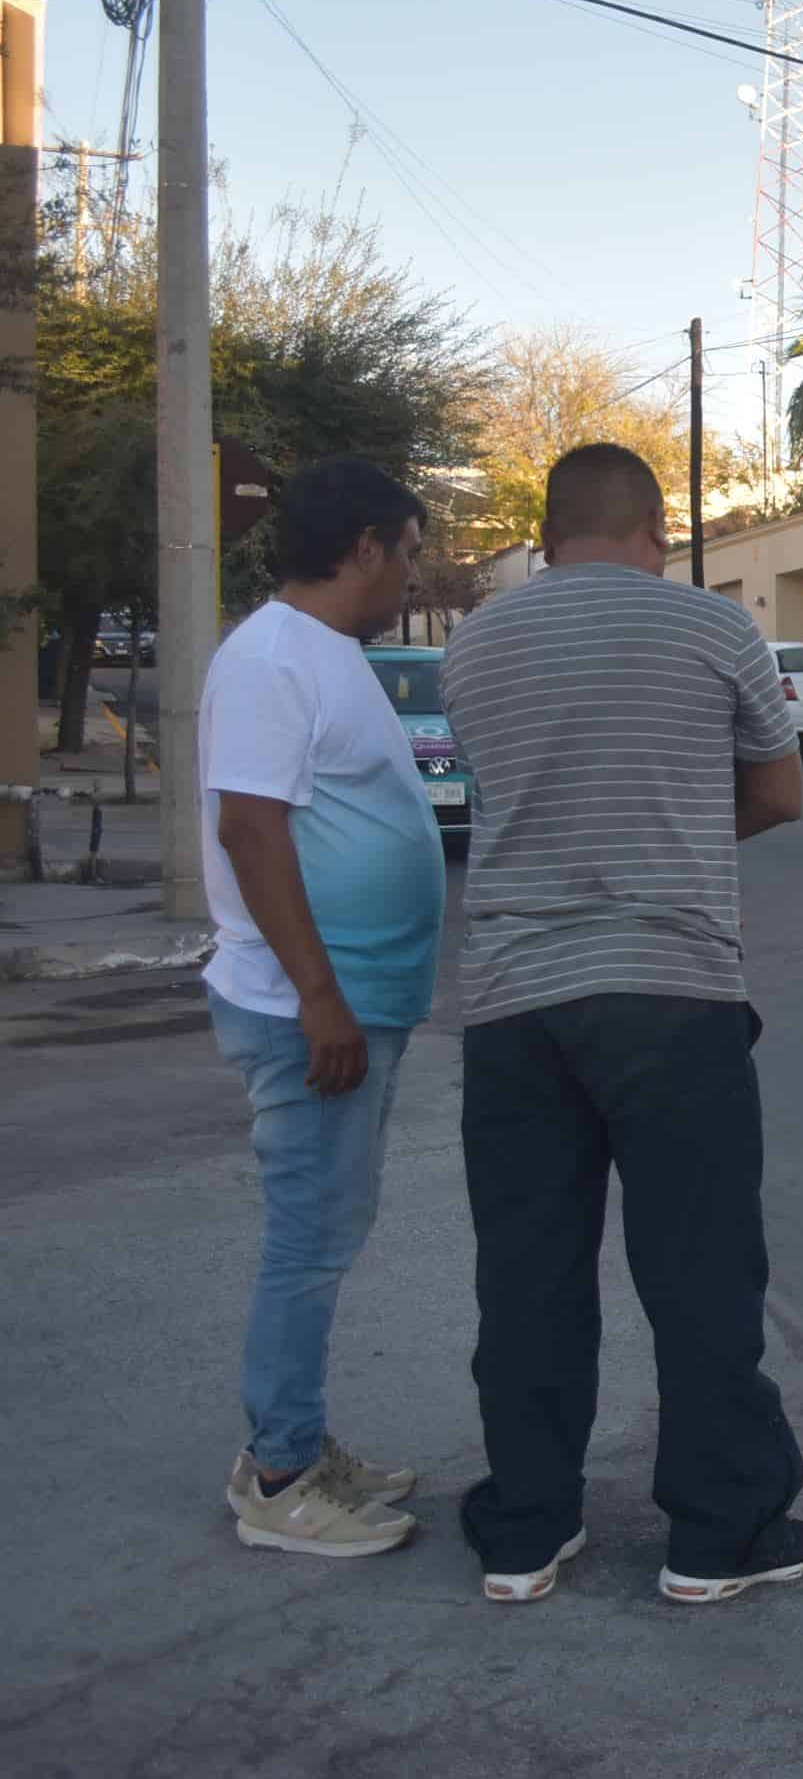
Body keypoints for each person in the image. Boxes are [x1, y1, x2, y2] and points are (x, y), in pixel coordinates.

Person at [441, 442, 803, 1607]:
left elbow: (507, 797)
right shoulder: (714, 632)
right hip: (672, 991)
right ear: (655, 529)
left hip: (515, 1003)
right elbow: (778, 792)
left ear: (550, 531)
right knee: (700, 1270)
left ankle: (525, 1527)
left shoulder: (474, 643)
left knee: (525, 1272)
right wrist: (674, 833)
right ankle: (716, 1534)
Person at [202, 457, 443, 1559]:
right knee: (306, 1240)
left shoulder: (325, 655)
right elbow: (249, 829)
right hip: (310, 1010)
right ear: (362, 547)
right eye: (407, 547)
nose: (412, 567)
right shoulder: (268, 659)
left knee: (327, 1231)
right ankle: (282, 1473)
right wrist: (318, 996)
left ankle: (295, 1438)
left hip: (349, 1001)